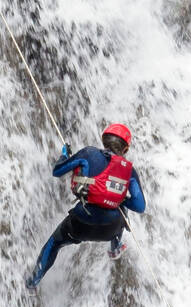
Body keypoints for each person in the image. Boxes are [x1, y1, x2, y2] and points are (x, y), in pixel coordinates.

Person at [25, 123, 146, 289]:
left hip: (81, 223)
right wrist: (119, 199)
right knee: (122, 208)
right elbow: (140, 206)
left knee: (54, 244)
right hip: (109, 229)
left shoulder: (88, 153)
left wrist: (64, 155)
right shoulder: (129, 171)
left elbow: (57, 171)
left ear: (104, 141)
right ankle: (115, 246)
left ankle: (32, 283)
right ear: (125, 150)